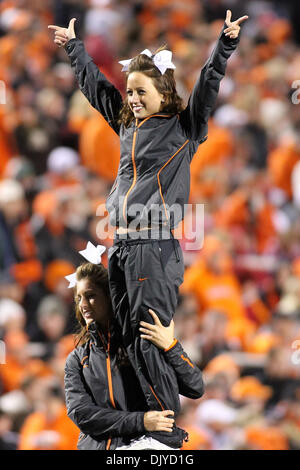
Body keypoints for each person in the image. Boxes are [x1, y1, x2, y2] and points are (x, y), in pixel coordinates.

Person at [48, 9, 248, 446]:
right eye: (130, 92)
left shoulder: (183, 128)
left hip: (153, 245)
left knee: (147, 334)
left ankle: (162, 431)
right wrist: (74, 49)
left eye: (140, 91)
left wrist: (225, 46)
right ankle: (142, 418)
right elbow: (97, 89)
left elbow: (208, 89)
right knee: (126, 335)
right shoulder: (126, 126)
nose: (132, 99)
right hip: (123, 243)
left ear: (162, 90)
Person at [64, 260, 204, 450]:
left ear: (110, 296)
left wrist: (170, 346)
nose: (83, 304)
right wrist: (142, 421)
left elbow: (195, 386)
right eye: (78, 298)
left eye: (91, 296)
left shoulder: (140, 343)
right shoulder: (77, 359)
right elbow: (82, 414)